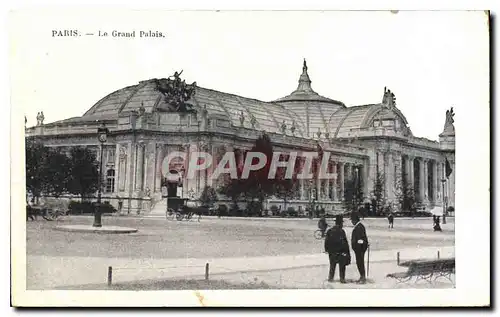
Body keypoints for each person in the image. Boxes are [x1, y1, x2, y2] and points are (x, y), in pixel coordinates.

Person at [324, 215, 350, 283]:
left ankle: (330, 278)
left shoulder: (330, 231)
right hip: (340, 252)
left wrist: (327, 249)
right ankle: (342, 279)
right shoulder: (342, 231)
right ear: (340, 223)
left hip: (332, 252)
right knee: (342, 266)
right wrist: (347, 252)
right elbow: (345, 243)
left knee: (332, 266)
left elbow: (326, 241)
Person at [350, 212, 369, 284]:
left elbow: (362, 239)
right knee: (359, 262)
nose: (351, 222)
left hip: (360, 249)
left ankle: (363, 277)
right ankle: (362, 276)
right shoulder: (358, 226)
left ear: (355, 220)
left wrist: (358, 243)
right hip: (358, 248)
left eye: (352, 220)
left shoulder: (360, 227)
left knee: (360, 262)